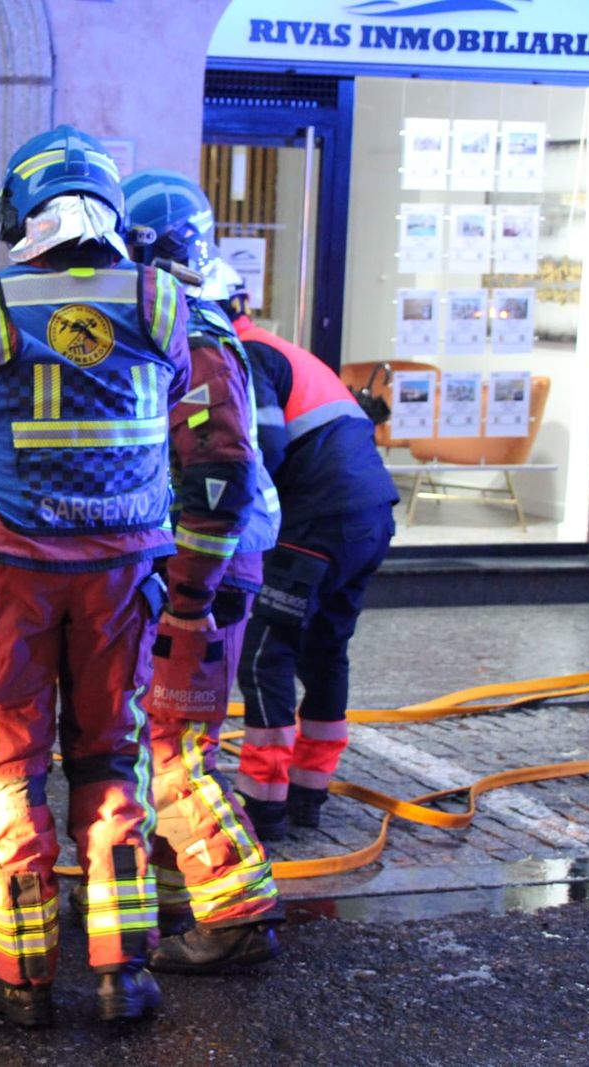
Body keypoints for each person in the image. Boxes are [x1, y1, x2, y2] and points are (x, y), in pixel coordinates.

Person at [0, 125, 188, 1026]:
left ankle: (19, 978)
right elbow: (168, 399)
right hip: (126, 573)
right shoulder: (161, 297)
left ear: (24, 212)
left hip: (11, 570)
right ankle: (123, 971)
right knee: (110, 760)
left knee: (10, 767)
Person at [118, 169, 285, 973]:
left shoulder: (201, 343)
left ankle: (237, 909)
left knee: (175, 743)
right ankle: (181, 876)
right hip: (200, 570)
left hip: (207, 576)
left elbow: (217, 477)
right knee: (166, 738)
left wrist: (186, 596)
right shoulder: (193, 325)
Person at [219, 278, 400, 840]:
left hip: (315, 522)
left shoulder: (247, 356)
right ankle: (309, 792)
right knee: (325, 650)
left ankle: (264, 804)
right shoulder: (284, 351)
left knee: (264, 654)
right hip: (370, 515)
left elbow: (263, 451)